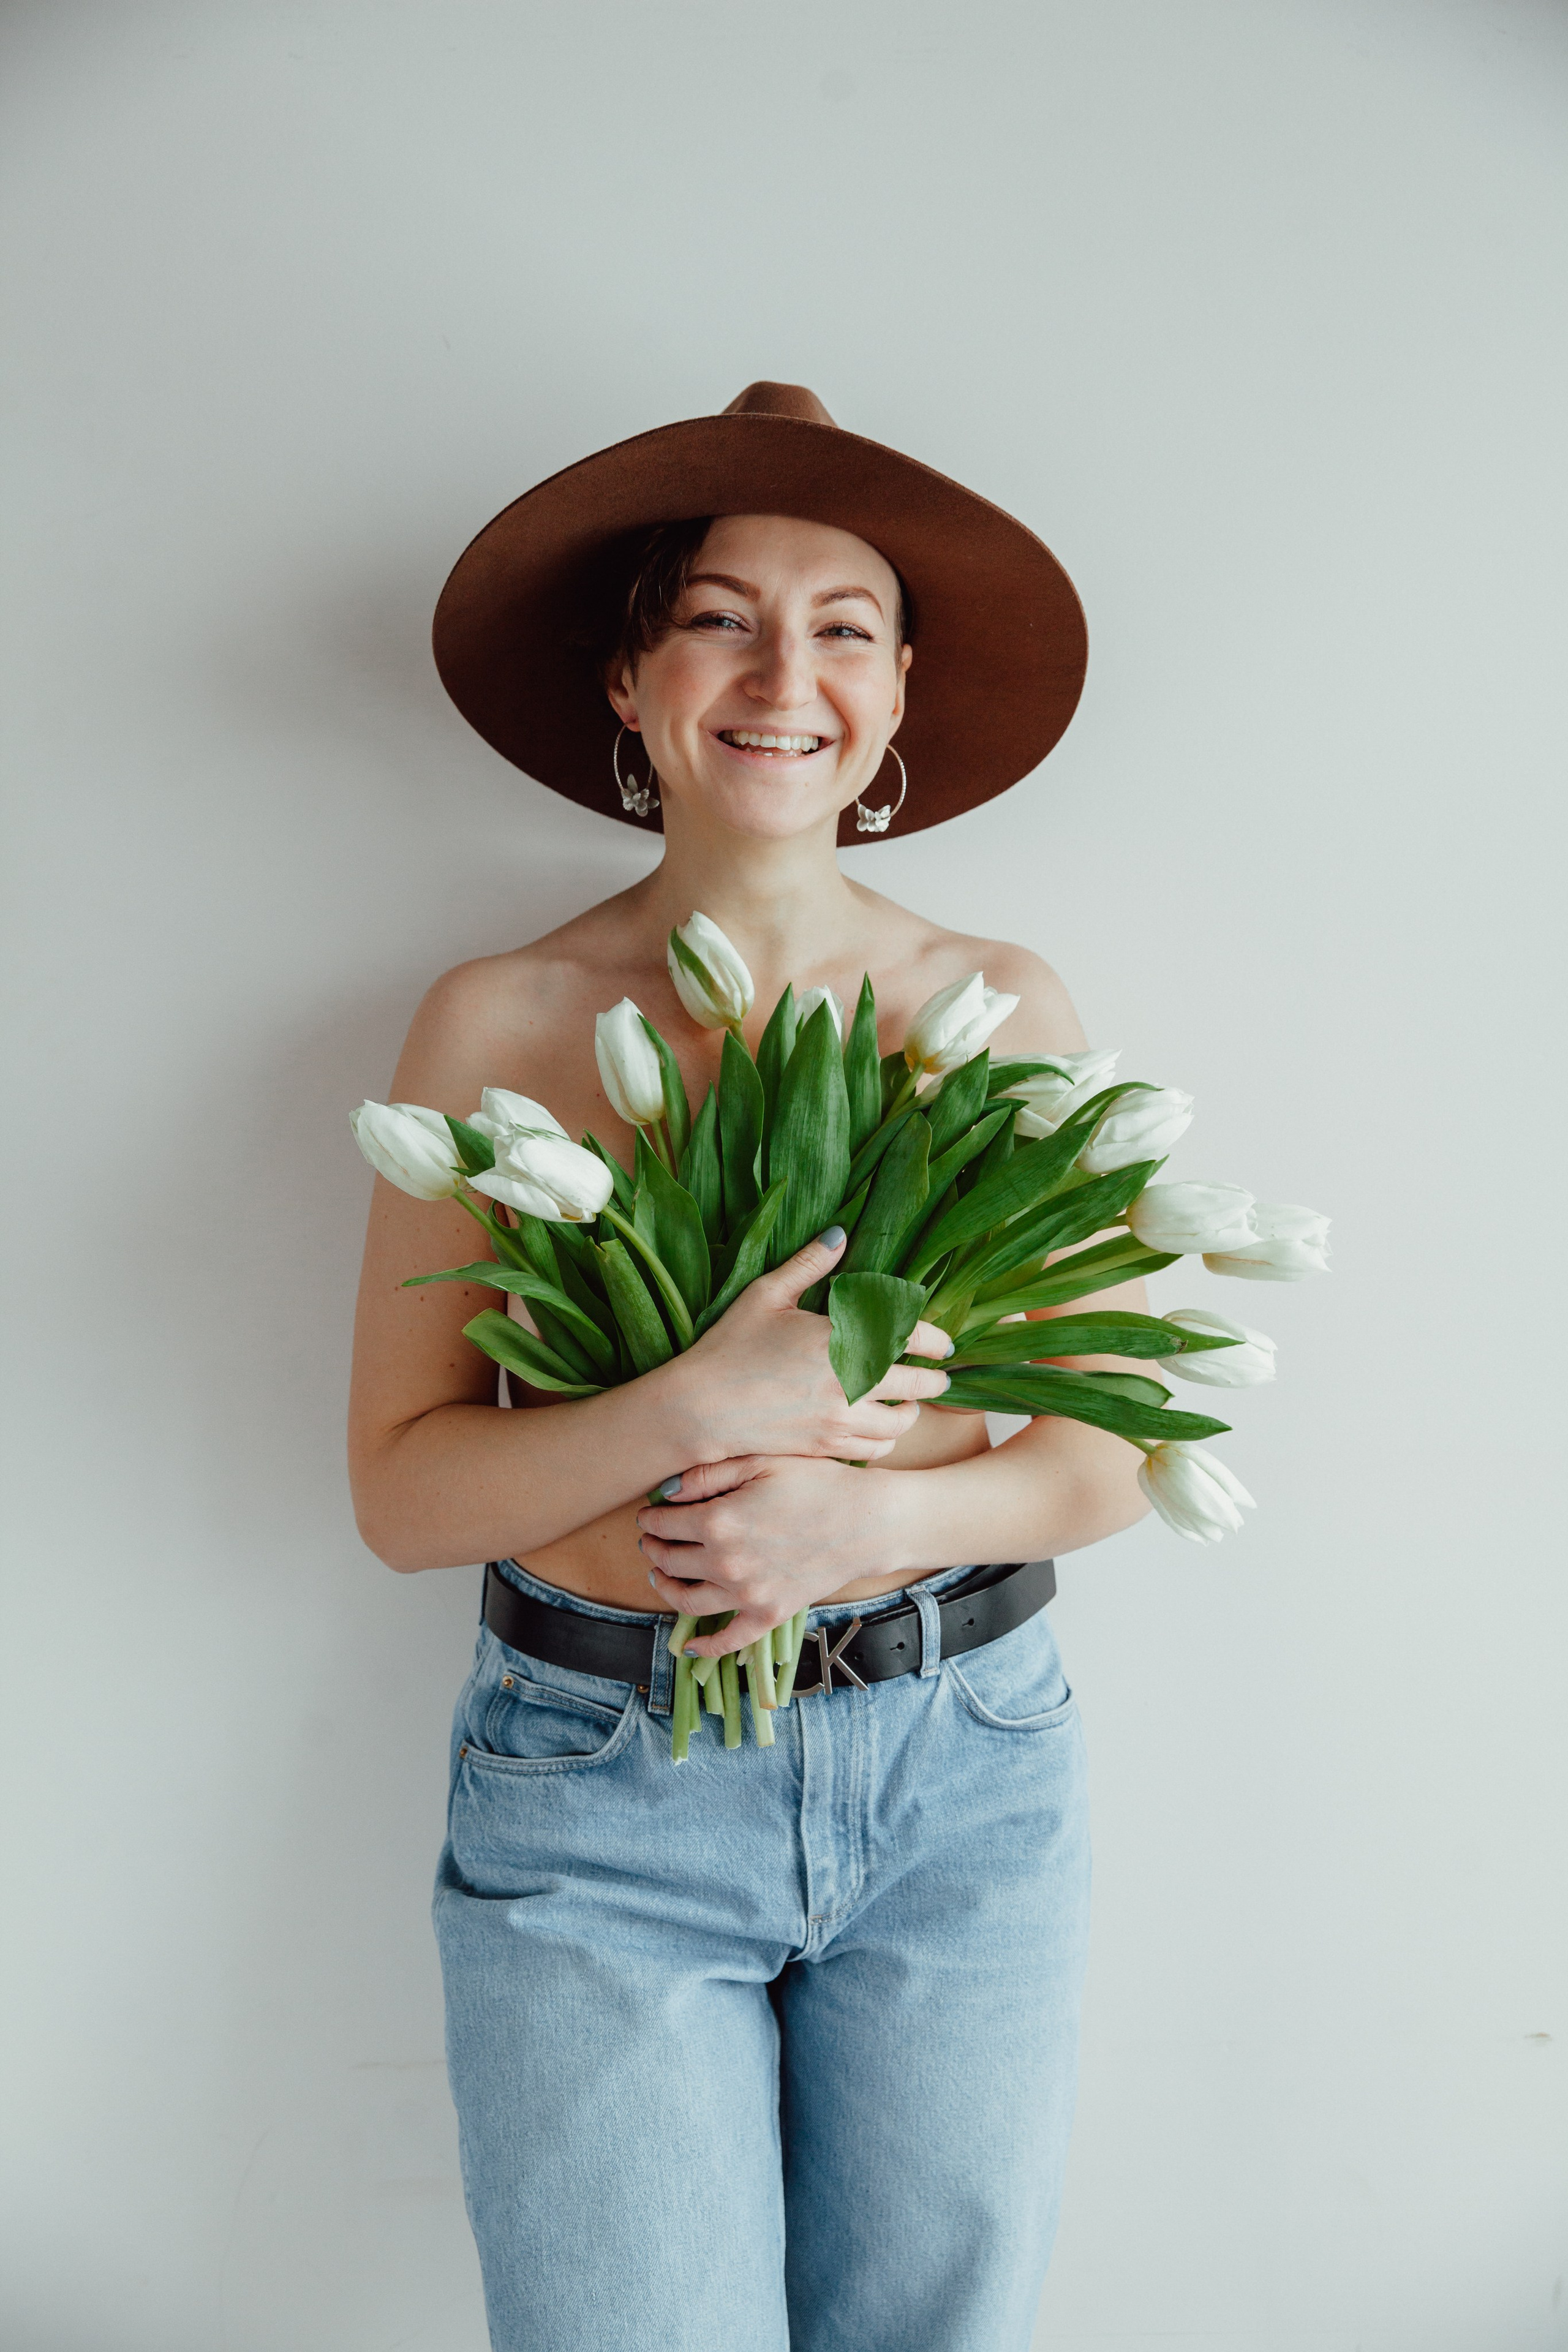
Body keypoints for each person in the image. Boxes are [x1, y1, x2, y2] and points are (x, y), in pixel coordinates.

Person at [348, 382, 1150, 2352]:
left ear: (894, 700)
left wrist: (859, 1513)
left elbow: (1097, 1460)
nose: (782, 671)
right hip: (598, 1788)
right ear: (628, 683)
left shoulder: (993, 1005)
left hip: (964, 1770)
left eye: (846, 625)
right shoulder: (504, 1019)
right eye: (717, 615)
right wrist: (699, 1405)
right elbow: (402, 1490)